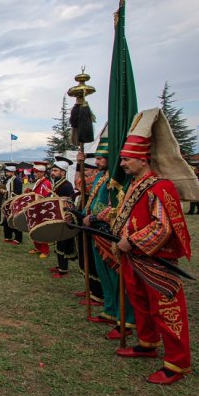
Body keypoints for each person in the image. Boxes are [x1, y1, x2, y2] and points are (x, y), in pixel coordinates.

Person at [112, 116, 197, 385]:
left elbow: (163, 227)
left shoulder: (160, 186)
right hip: (134, 258)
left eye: (127, 159)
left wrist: (132, 241)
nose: (123, 164)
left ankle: (177, 363)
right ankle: (147, 344)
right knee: (142, 305)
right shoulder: (134, 186)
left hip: (157, 260)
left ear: (142, 160)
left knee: (167, 311)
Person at [79, 142, 134, 336]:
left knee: (116, 277)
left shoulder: (117, 179)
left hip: (108, 231)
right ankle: (110, 310)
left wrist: (93, 217)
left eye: (101, 158)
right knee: (104, 275)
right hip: (96, 231)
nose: (98, 161)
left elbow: (117, 206)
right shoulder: (101, 176)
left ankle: (125, 319)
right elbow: (90, 197)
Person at [48, 157, 76, 277]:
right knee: (58, 242)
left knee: (63, 243)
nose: (52, 173)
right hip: (58, 217)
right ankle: (60, 265)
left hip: (64, 218)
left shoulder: (66, 185)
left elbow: (66, 204)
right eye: (52, 171)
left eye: (55, 171)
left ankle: (63, 269)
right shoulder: (59, 184)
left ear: (63, 173)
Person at [26, 161, 52, 259]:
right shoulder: (38, 181)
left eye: (37, 172)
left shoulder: (46, 183)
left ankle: (45, 251)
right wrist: (30, 192)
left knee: (42, 230)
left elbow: (44, 196)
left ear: (42, 173)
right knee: (34, 228)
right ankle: (37, 248)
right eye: (35, 172)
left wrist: (33, 195)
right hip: (35, 208)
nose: (35, 174)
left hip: (42, 209)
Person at [0, 163, 23, 245]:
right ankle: (8, 236)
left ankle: (18, 238)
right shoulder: (7, 180)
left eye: (8, 172)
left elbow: (18, 194)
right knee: (6, 220)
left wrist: (7, 192)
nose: (7, 173)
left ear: (13, 172)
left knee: (14, 220)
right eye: (6, 172)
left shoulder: (18, 181)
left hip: (14, 204)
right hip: (6, 203)